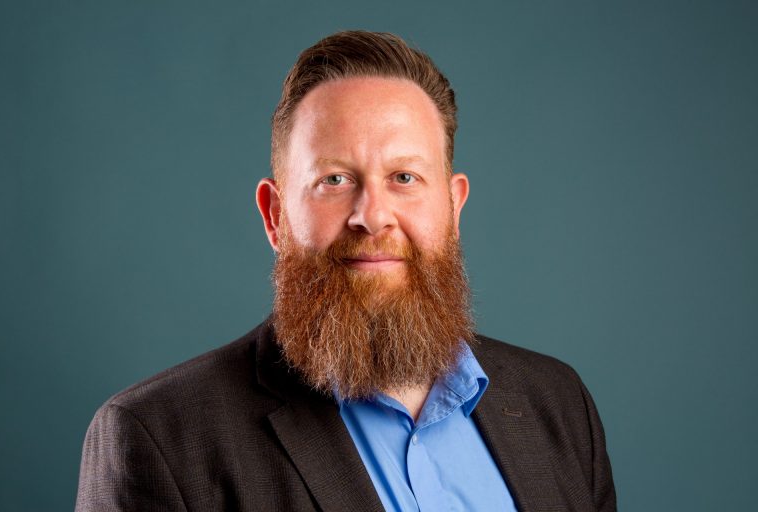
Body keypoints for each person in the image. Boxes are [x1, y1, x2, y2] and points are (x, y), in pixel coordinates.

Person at [76, 30, 616, 511]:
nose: (372, 215)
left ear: (453, 209)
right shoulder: (159, 438)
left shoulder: (558, 403)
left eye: (404, 177)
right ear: (275, 215)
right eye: (334, 180)